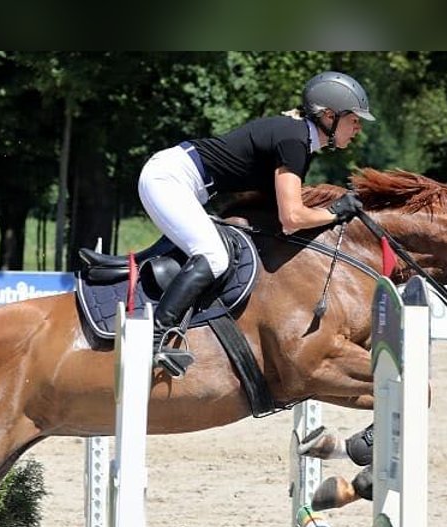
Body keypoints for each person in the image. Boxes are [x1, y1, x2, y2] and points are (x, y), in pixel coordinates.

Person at [137, 70, 374, 375]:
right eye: (353, 120)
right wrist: (335, 213)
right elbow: (292, 218)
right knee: (214, 256)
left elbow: (280, 213)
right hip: (168, 179)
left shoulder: (298, 138)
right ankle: (156, 336)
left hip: (185, 182)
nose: (357, 128)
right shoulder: (294, 141)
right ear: (329, 116)